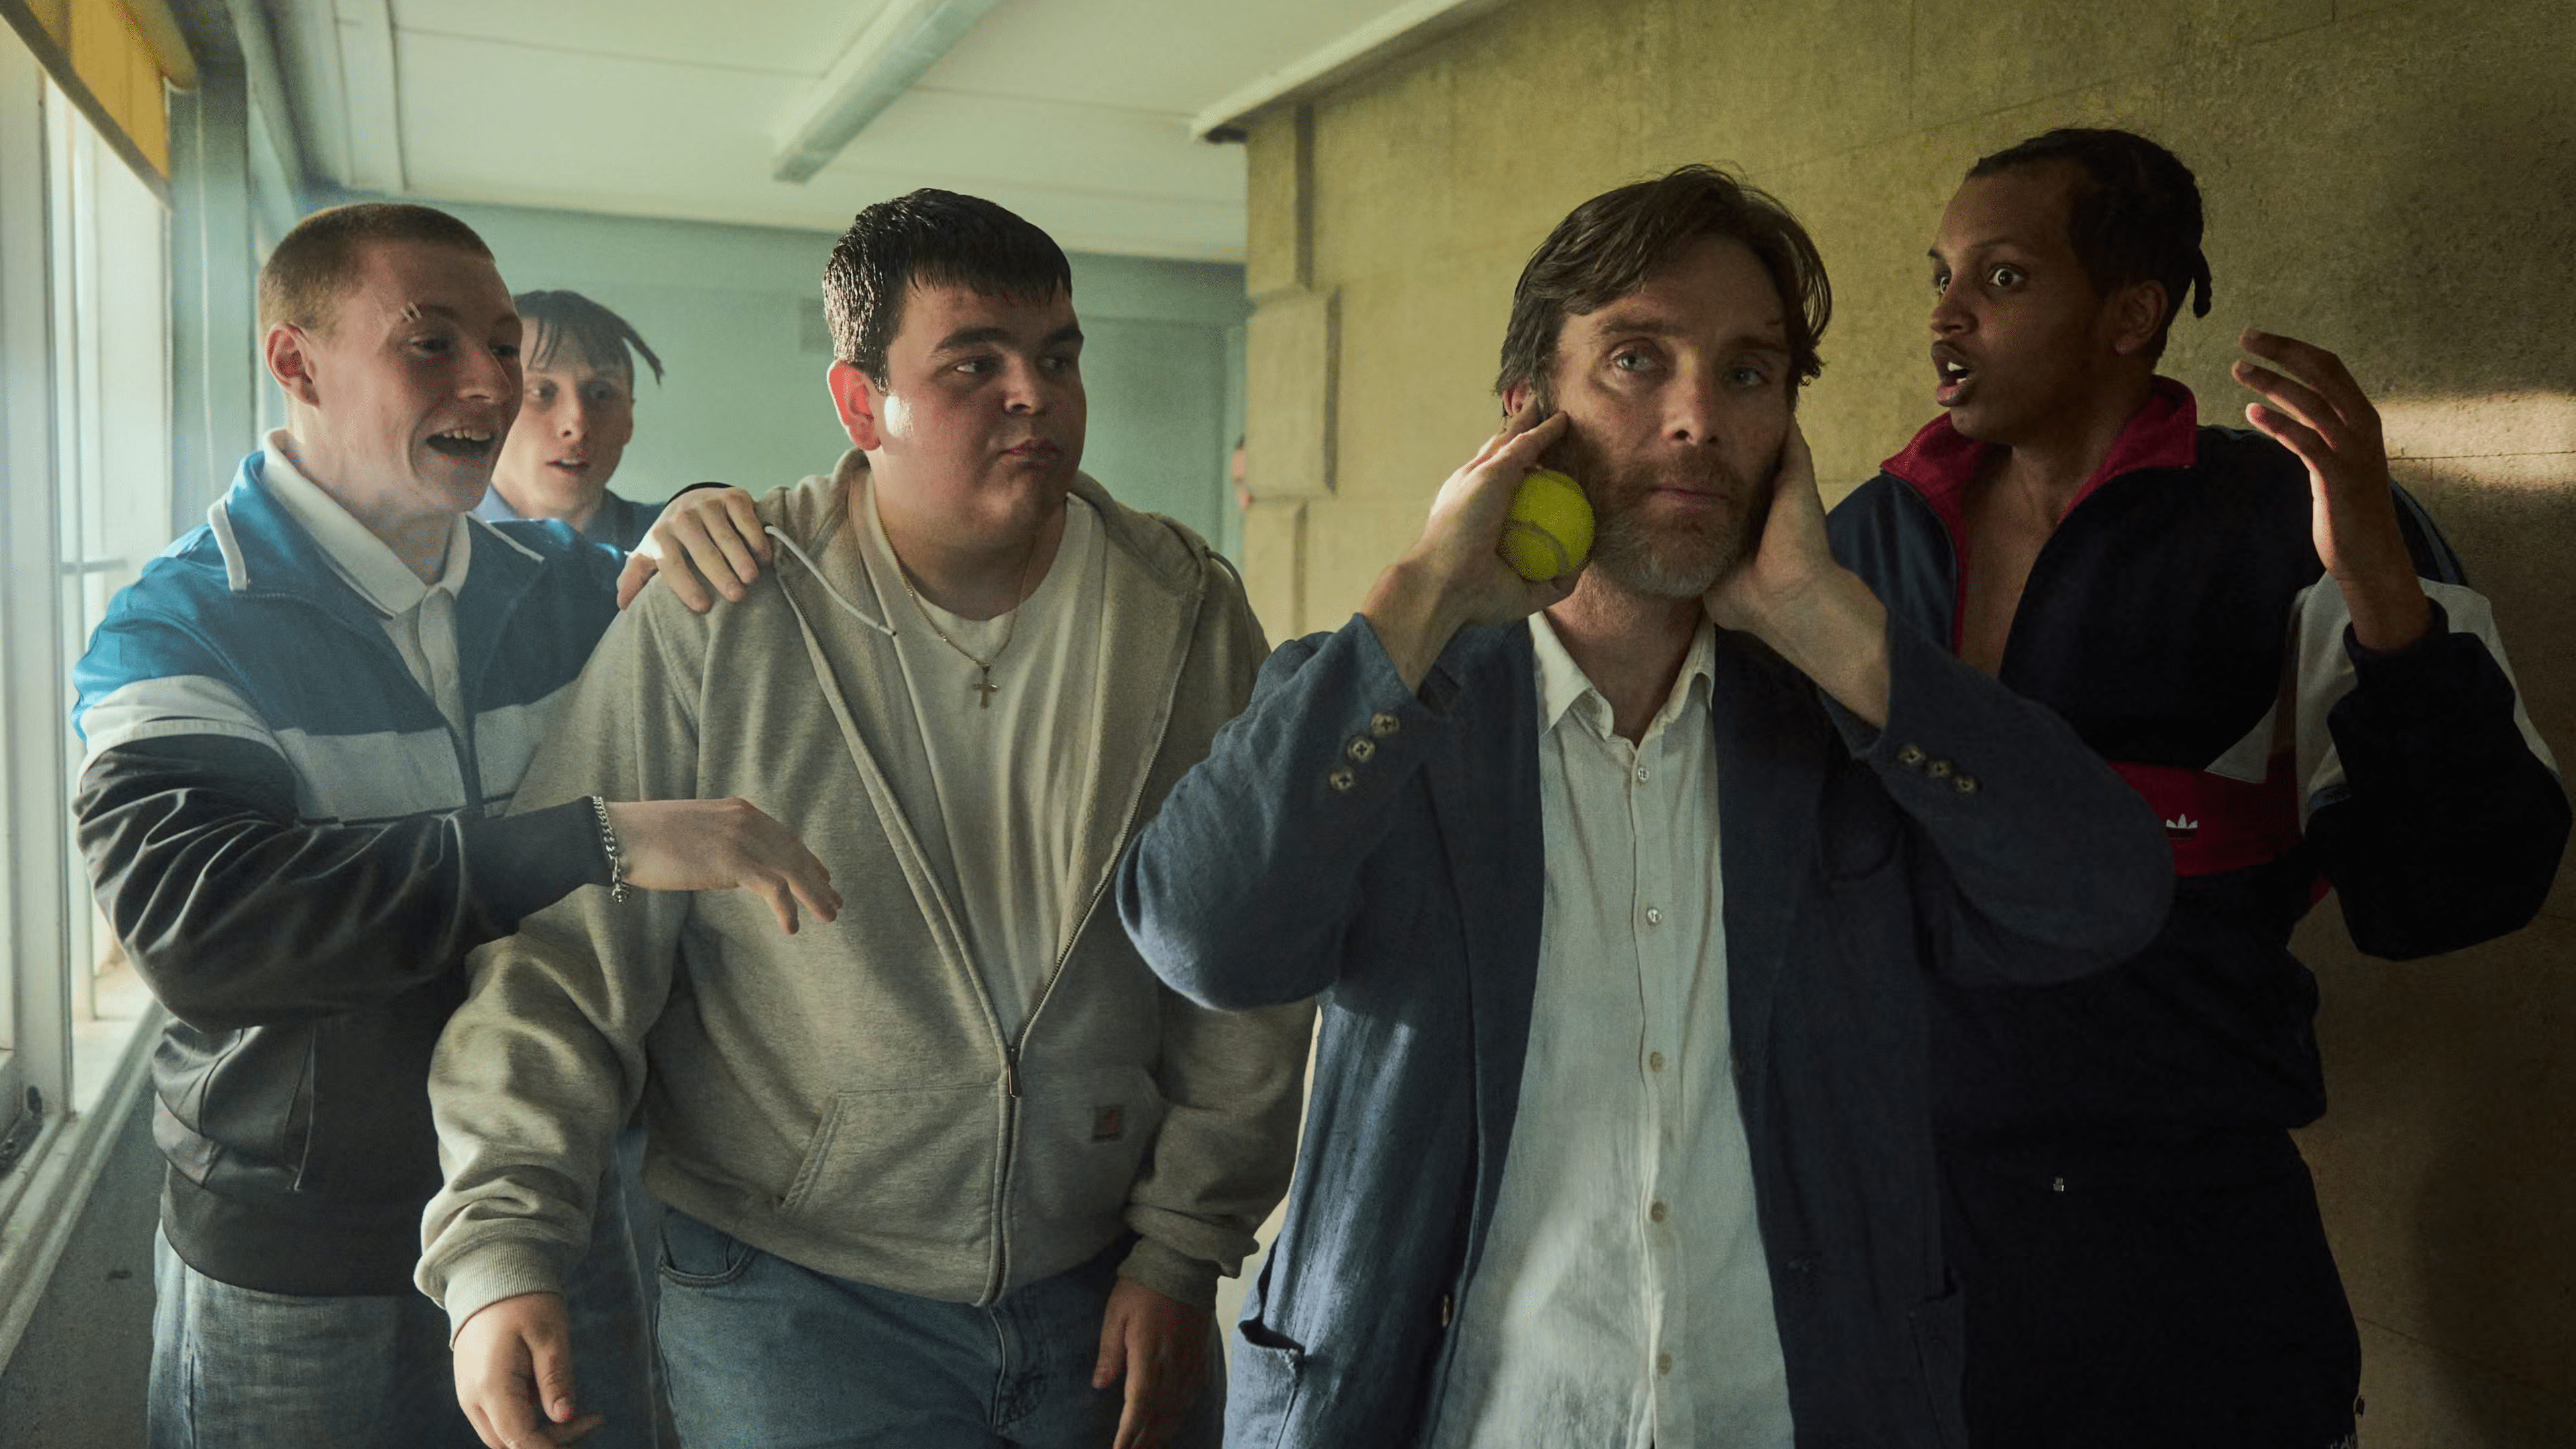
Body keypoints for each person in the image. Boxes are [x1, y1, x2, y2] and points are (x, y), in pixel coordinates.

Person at [1114, 164, 2176, 1448]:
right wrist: (1421, 599)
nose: (1696, 419)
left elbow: (2105, 897)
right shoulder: (1388, 706)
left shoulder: (1846, 720)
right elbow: (1205, 937)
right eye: (1634, 361)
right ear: (1527, 417)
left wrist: (1834, 631)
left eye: (1747, 374)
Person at [419, 189, 1313, 1449]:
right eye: (974, 365)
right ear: (859, 404)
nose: (1034, 397)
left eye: (1057, 358)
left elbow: (1245, 960)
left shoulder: (1183, 611)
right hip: (793, 1301)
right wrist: (501, 1245)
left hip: (1101, 1294)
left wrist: (1183, 1247)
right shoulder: (716, 612)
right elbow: (564, 962)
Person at [1827, 127, 2570, 1448]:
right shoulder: (1864, 539)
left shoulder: (2295, 522)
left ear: (2131, 313)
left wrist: (2377, 579)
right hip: (1898, 1257)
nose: (1945, 314)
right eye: (1941, 274)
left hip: (2187, 1275)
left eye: (2000, 278)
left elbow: (2462, 887)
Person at [69, 202, 836, 1449]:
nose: (492, 381)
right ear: (295, 361)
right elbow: (206, 927)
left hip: (562, 1213)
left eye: (498, 343)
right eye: (431, 344)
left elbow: (766, 655)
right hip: (308, 1271)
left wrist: (708, 511)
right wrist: (600, 839)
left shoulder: (578, 594)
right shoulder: (181, 629)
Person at [476, 288, 671, 551]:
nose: (577, 426)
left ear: (629, 419)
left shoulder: (675, 548)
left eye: (601, 393)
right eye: (541, 392)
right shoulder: (422, 548)